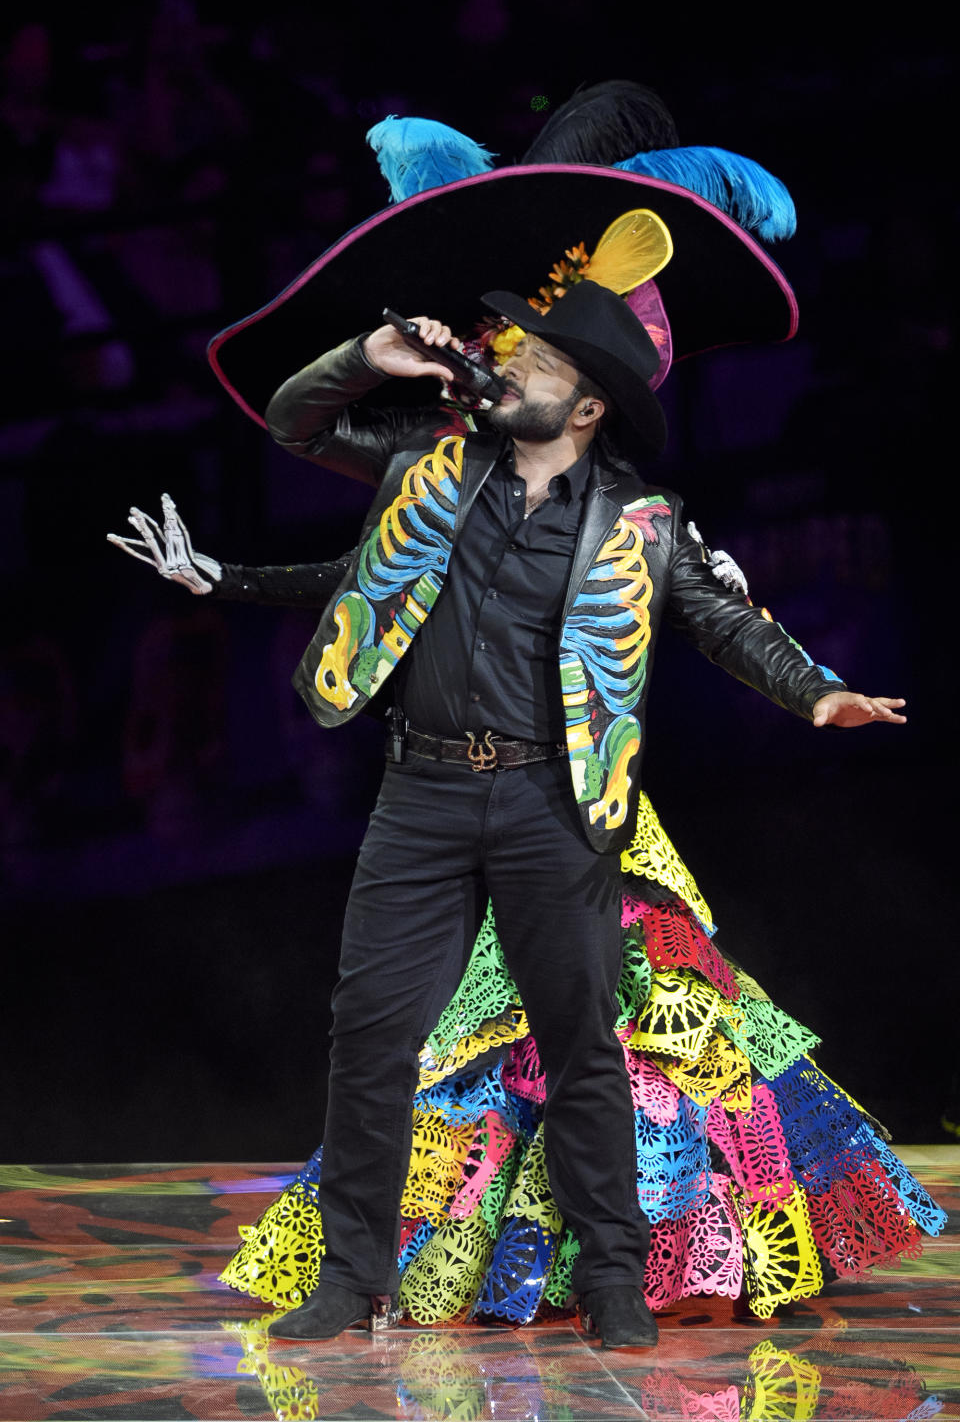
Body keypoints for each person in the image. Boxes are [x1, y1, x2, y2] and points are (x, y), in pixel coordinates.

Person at [110, 281, 918, 1349]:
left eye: (535, 361)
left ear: (586, 407)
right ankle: (350, 1278)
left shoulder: (642, 521)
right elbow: (292, 421)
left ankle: (617, 1282)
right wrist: (370, 352)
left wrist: (817, 691)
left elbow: (727, 619)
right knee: (370, 1036)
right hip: (424, 795)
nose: (508, 367)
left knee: (578, 1044)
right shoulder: (427, 465)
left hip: (555, 802)